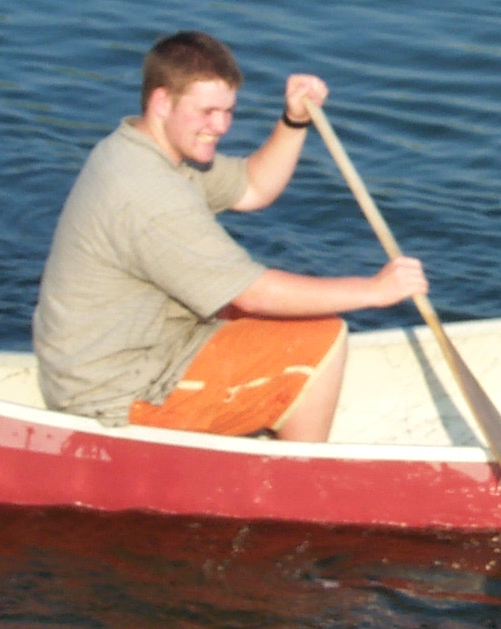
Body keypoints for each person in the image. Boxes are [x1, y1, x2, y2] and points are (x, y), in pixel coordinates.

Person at [33, 31, 428, 441]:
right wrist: (375, 291)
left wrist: (294, 121)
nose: (221, 126)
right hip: (115, 392)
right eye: (207, 111)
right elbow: (253, 293)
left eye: (228, 111)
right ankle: (298, 474)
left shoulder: (147, 148)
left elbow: (253, 187)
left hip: (129, 354)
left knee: (289, 318)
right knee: (322, 342)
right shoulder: (148, 192)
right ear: (162, 102)